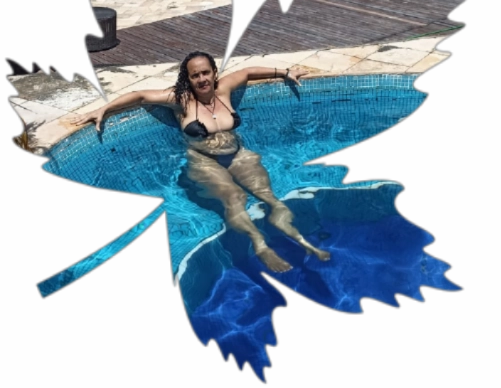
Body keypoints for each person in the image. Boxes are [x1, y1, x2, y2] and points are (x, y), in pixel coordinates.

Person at [70, 51, 330, 272]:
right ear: (189, 79)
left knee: (270, 197)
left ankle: (299, 239)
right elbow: (140, 96)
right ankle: (259, 243)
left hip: (238, 154)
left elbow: (248, 72)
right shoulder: (181, 100)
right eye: (195, 75)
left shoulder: (224, 89)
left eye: (206, 72)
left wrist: (286, 71)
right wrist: (102, 109)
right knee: (234, 197)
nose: (202, 79)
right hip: (204, 161)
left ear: (214, 73)